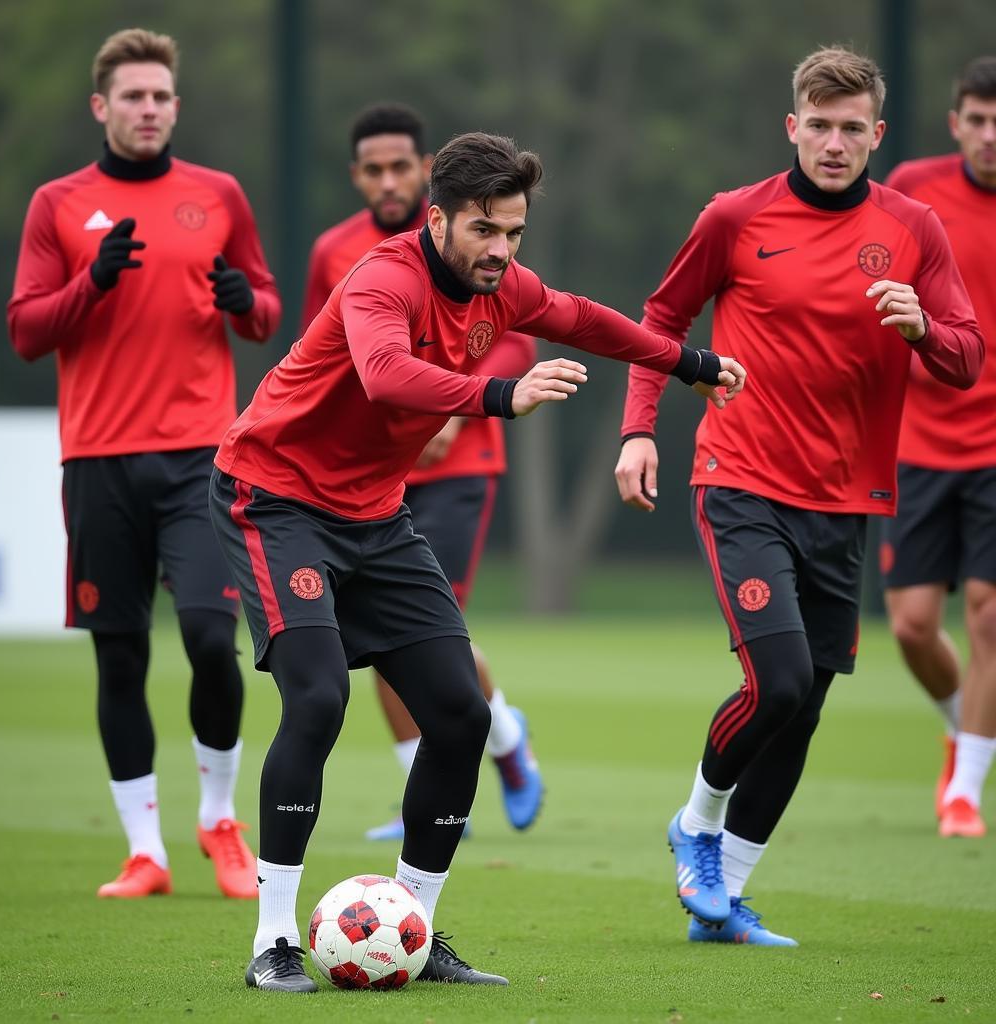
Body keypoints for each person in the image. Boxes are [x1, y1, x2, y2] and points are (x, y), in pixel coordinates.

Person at [209, 130, 745, 992]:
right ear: (440, 220)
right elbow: (384, 376)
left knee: (461, 715)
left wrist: (689, 363)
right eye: (484, 231)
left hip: (375, 517)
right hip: (274, 497)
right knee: (318, 695)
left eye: (514, 233)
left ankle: (412, 932)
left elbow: (584, 318)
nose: (500, 250)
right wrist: (502, 395)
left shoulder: (504, 287)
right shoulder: (383, 278)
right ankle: (273, 941)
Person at [614, 46, 983, 946]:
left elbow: (968, 357)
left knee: (807, 702)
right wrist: (636, 430)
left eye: (852, 128)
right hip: (740, 479)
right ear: (792, 126)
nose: (833, 142)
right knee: (776, 682)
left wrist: (924, 327)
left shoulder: (913, 228)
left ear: (877, 136)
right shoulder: (735, 217)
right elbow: (660, 322)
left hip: (846, 499)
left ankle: (725, 899)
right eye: (818, 125)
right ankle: (697, 824)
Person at [7, 28, 280, 900]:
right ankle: (144, 852)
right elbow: (24, 332)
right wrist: (92, 281)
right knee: (119, 657)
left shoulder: (219, 194)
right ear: (102, 106)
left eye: (161, 95)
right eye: (133, 96)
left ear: (176, 105)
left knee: (212, 642)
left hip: (203, 453)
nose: (149, 109)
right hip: (98, 459)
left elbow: (267, 313)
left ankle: (220, 822)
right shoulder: (58, 203)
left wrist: (247, 302)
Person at [302, 103, 543, 843]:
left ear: (424, 173)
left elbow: (517, 344)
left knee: (426, 635)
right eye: (372, 169)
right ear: (356, 176)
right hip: (366, 478)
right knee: (382, 639)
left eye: (399, 165)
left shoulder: (481, 237)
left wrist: (459, 412)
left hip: (458, 466)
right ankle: (496, 741)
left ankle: (488, 746)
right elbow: (324, 356)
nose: (387, 180)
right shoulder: (336, 252)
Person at [881, 56, 996, 839]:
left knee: (989, 616)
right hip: (918, 437)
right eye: (979, 120)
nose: (992, 135)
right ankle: (965, 729)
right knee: (915, 626)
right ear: (956, 123)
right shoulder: (915, 190)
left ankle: (966, 790)